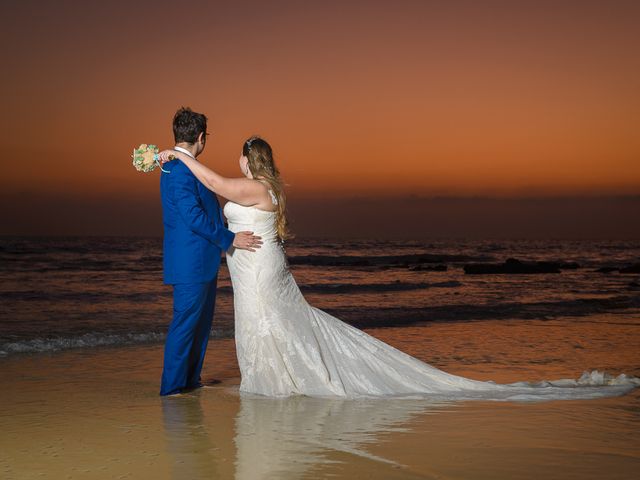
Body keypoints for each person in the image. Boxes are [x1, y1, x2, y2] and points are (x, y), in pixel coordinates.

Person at [158, 137, 639, 400]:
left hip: (258, 269)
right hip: (257, 265)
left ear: (250, 160)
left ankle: (278, 384)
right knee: (277, 323)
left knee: (269, 323)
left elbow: (217, 182)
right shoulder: (269, 188)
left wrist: (177, 154)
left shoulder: (253, 186)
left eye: (241, 155)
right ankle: (276, 378)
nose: (236, 161)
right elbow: (222, 187)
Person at [158, 108, 262, 396]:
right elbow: (193, 217)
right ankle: (172, 389)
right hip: (190, 262)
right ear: (201, 138)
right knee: (185, 325)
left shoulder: (177, 165)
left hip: (200, 261)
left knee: (199, 326)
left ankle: (190, 380)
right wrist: (229, 239)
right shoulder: (178, 169)